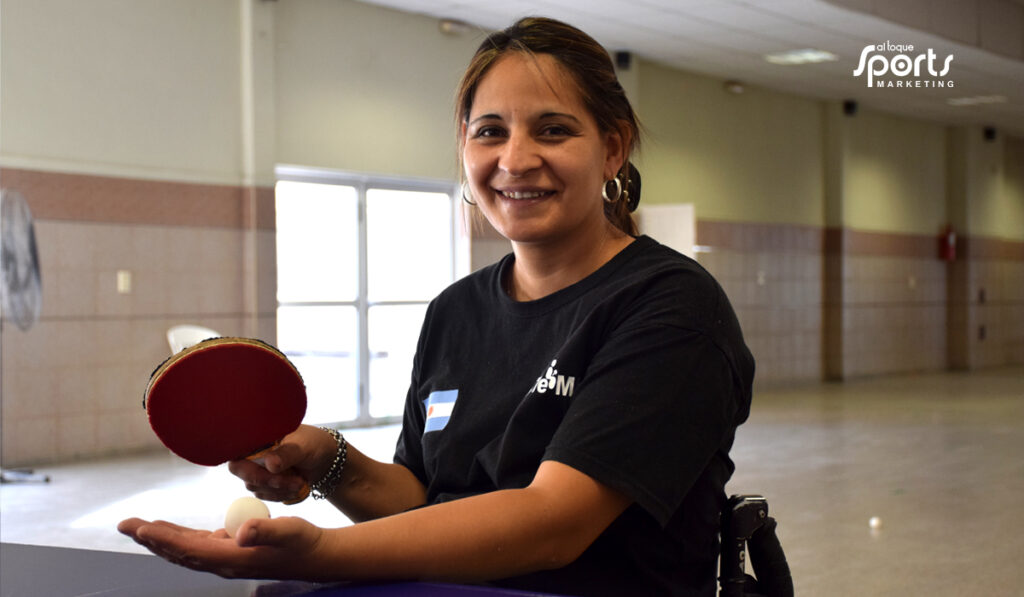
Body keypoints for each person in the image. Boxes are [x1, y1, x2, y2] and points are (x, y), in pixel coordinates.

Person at [119, 16, 754, 597]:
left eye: (553, 130)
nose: (515, 159)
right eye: (490, 132)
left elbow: (551, 525)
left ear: (612, 149)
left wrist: (318, 554)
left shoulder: (670, 307)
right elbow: (424, 501)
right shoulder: (456, 310)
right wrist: (328, 462)